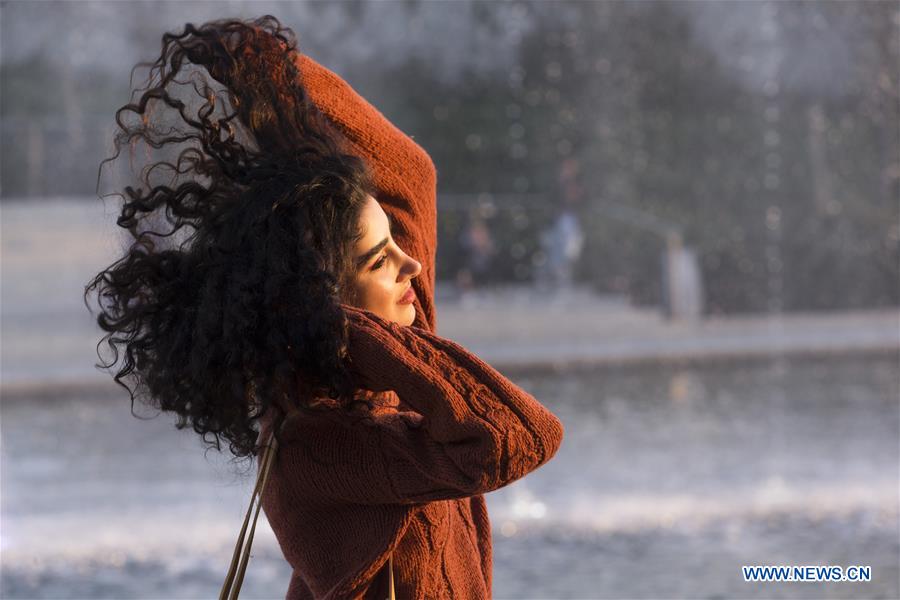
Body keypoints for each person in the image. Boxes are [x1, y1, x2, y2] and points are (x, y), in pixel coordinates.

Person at [84, 16, 564, 599]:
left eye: (397, 246)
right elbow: (519, 438)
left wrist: (270, 75)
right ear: (324, 302)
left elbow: (412, 175)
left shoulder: (391, 344)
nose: (411, 266)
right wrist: (340, 326)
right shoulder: (318, 444)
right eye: (380, 260)